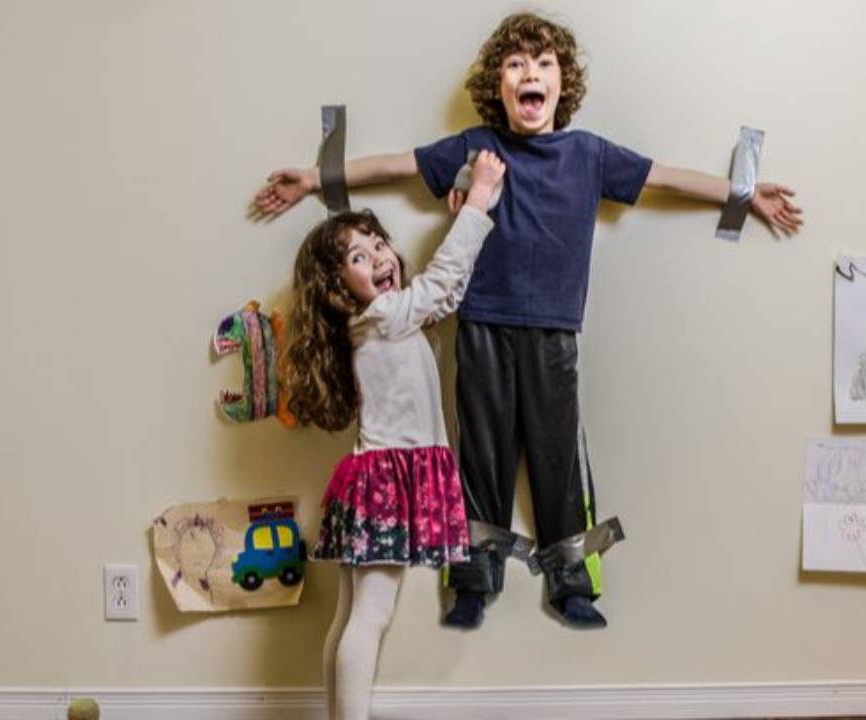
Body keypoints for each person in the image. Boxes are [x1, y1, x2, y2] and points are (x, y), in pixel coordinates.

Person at [254, 12, 803, 631]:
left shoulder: (588, 153)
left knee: (558, 458)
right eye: (516, 64)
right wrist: (316, 178)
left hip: (554, 331)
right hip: (481, 326)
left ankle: (573, 584)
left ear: (561, 84)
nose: (530, 73)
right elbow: (399, 165)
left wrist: (743, 194)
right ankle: (472, 583)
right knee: (481, 457)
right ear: (500, 85)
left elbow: (665, 177)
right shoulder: (477, 147)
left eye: (543, 64)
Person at [284, 151, 505, 720]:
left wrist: (471, 214)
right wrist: (481, 197)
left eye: (378, 243)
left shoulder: (379, 320)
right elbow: (443, 279)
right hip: (386, 483)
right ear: (337, 286)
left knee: (350, 616)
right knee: (371, 617)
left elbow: (442, 297)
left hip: (373, 481)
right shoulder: (384, 315)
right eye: (358, 257)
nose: (380, 256)